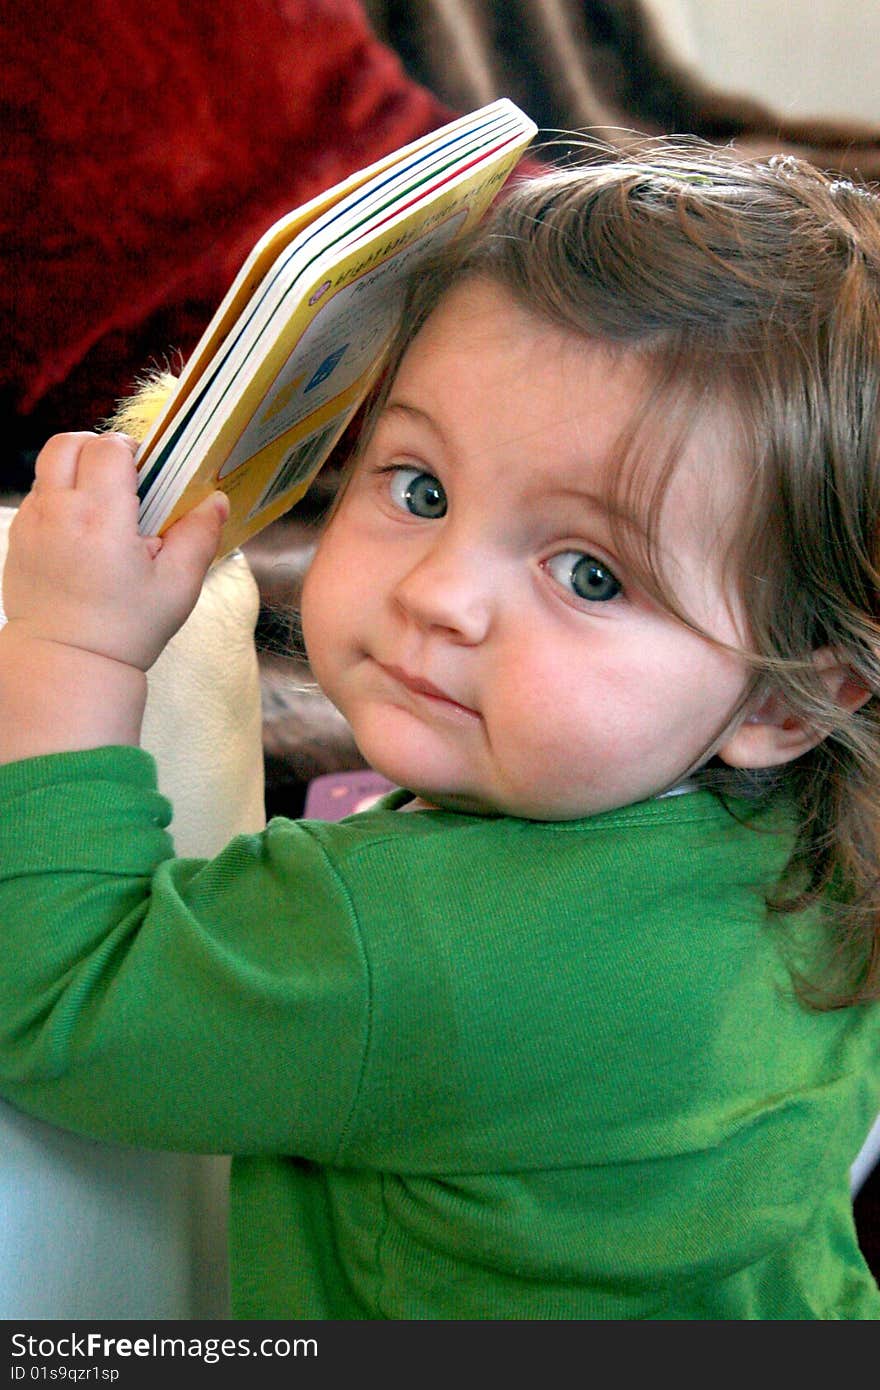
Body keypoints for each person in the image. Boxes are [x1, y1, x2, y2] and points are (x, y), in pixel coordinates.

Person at [1, 139, 879, 1321]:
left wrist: (73, 645)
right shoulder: (830, 859)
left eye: (589, 574)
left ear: (784, 701)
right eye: (418, 488)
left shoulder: (387, 935)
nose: (440, 596)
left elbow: (59, 1001)